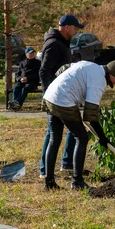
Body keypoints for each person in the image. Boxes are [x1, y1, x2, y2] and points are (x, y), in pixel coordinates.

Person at [42, 56, 115, 190]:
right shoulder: (98, 81)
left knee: (55, 139)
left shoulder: (89, 65)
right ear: (112, 74)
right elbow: (91, 115)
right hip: (63, 101)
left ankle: (49, 182)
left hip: (50, 95)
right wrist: (102, 137)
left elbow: (62, 70)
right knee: (81, 138)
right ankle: (77, 182)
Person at [39, 14, 84, 178]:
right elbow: (44, 71)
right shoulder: (54, 44)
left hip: (65, 94)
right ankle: (44, 171)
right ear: (65, 27)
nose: (77, 30)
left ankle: (67, 163)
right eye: (75, 27)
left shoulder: (62, 43)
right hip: (55, 96)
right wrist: (49, 94)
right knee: (53, 133)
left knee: (72, 129)